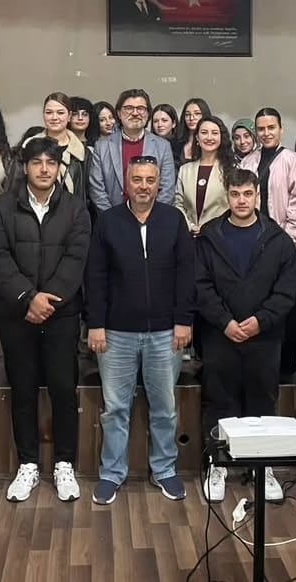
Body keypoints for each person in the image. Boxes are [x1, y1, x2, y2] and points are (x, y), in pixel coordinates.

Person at [0, 138, 91, 503]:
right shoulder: (2, 207)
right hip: (18, 315)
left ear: (59, 168)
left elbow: (76, 258)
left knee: (63, 390)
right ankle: (27, 464)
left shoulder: (75, 208)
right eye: (37, 162)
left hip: (61, 314)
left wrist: (47, 300)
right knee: (23, 390)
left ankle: (64, 464)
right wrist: (28, 297)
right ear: (24, 167)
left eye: (51, 162)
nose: (44, 169)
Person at [87, 155, 194, 505]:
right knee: (115, 409)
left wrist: (183, 320)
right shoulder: (108, 222)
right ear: (126, 184)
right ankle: (111, 473)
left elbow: (186, 274)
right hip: (116, 333)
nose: (143, 186)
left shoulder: (173, 220)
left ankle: (164, 469)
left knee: (164, 408)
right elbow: (95, 277)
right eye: (137, 180)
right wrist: (96, 324)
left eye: (150, 180)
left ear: (159, 184)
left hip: (165, 332)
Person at [196, 169, 296, 503]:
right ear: (227, 196)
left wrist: (259, 321)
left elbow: (286, 292)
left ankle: (261, 468)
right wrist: (225, 321)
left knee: (262, 403)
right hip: (219, 335)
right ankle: (217, 465)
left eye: (248, 194)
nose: (241, 200)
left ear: (258, 196)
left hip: (264, 337)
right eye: (235, 194)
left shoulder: (279, 240)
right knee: (218, 401)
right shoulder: (209, 237)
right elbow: (200, 286)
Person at [239, 108, 296, 374]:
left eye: (271, 127)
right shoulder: (248, 161)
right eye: (261, 128)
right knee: (255, 304)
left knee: (284, 305)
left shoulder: (293, 161)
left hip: (284, 246)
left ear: (281, 129)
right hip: (251, 246)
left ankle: (285, 366)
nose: (266, 133)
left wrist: (287, 241)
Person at [89, 88, 177, 211]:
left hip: (153, 218)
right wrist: (112, 217)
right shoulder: (102, 146)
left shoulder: (163, 146)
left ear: (148, 113)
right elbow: (96, 189)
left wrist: (151, 217)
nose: (135, 113)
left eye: (140, 108)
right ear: (119, 113)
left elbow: (167, 189)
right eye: (129, 108)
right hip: (112, 217)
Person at [21, 92, 89, 203]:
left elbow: (87, 193)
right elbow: (15, 186)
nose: (54, 117)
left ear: (69, 116)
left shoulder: (82, 152)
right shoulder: (29, 146)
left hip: (73, 210)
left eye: (60, 113)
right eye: (49, 112)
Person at [174, 115, 232, 235]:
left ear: (221, 137)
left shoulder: (230, 170)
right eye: (204, 132)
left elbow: (234, 206)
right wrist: (190, 225)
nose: (209, 137)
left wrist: (210, 228)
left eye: (214, 133)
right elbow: (178, 203)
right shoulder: (185, 170)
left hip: (220, 235)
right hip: (189, 235)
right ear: (197, 137)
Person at [178, 98, 212, 163]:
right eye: (187, 114)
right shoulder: (175, 144)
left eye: (197, 114)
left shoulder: (210, 142)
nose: (191, 118)